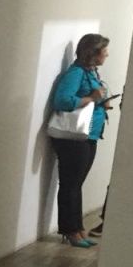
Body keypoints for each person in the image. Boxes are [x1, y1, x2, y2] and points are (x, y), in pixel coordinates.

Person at [50, 33, 115, 248]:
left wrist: (101, 101)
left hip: (88, 135)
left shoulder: (91, 72)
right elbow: (62, 100)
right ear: (93, 53)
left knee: (76, 184)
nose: (106, 54)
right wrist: (91, 98)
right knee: (70, 184)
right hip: (73, 138)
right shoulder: (76, 73)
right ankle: (70, 230)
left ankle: (77, 228)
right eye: (103, 50)